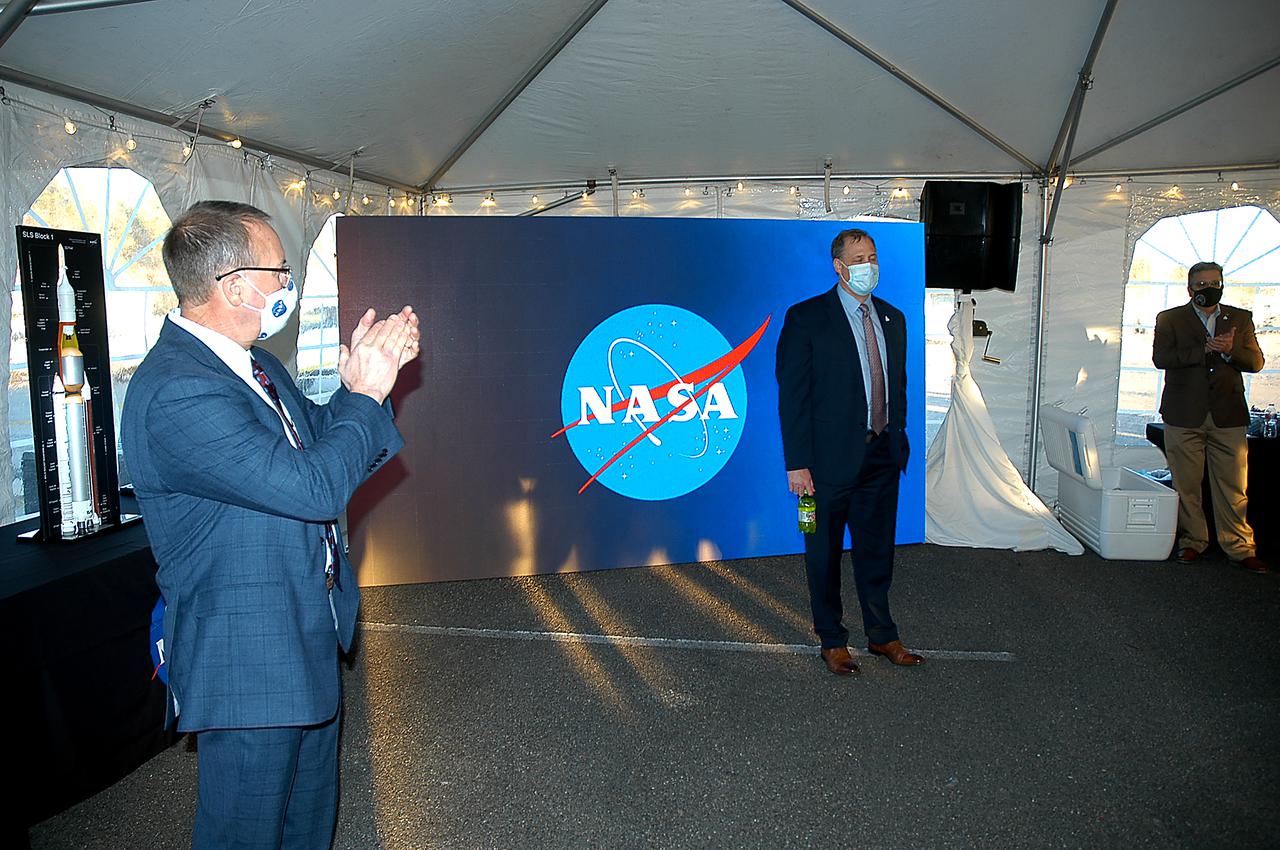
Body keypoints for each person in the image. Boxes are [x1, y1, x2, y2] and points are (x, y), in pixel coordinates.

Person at [120, 200, 420, 848]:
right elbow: (315, 488)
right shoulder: (177, 389)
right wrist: (365, 399)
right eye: (279, 270)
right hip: (249, 666)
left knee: (307, 827)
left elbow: (321, 446)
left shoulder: (257, 364)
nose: (289, 283)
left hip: (302, 632)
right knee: (246, 836)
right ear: (233, 286)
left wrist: (360, 387)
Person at [775, 228, 923, 676]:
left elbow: (896, 387)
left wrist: (897, 439)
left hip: (881, 456)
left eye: (873, 256)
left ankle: (882, 634)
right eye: (859, 258)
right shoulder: (806, 318)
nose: (869, 266)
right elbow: (793, 397)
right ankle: (832, 639)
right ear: (839, 267)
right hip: (825, 465)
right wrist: (797, 463)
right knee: (823, 554)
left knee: (877, 551)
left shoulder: (893, 319)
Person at [1153, 260, 1267, 573]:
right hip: (1183, 413)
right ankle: (1192, 542)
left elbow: (1256, 362)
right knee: (1186, 485)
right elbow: (1161, 358)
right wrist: (1203, 350)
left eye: (1214, 283)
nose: (1208, 289)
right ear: (1190, 288)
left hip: (1227, 415)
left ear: (1221, 284)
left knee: (1233, 485)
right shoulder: (1170, 319)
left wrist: (1231, 351)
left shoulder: (1240, 318)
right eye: (1201, 284)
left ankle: (1240, 547)